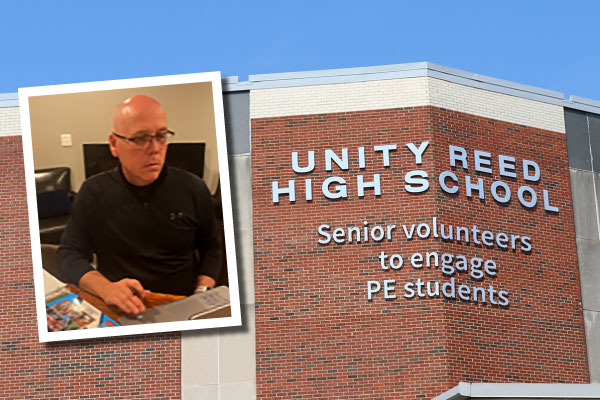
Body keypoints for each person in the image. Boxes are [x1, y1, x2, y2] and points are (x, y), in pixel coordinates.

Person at [58, 95, 222, 315]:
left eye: (161, 136)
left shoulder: (194, 188)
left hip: (182, 302)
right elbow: (69, 254)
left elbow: (212, 247)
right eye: (140, 138)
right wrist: (105, 288)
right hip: (118, 303)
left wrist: (202, 293)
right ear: (114, 145)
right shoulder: (92, 192)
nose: (155, 148)